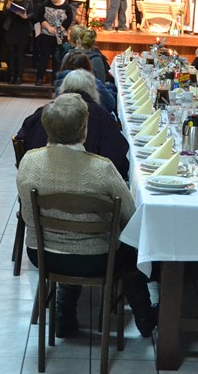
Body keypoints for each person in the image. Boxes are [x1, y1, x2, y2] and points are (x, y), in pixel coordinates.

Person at [16, 93, 156, 337]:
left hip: (42, 254)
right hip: (96, 258)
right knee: (130, 252)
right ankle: (145, 318)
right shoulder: (102, 168)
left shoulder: (30, 162)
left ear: (47, 127)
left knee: (72, 245)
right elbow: (130, 218)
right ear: (84, 130)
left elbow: (27, 216)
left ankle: (64, 314)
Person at [52, 51, 116, 115]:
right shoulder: (95, 82)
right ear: (88, 66)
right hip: (91, 117)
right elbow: (111, 104)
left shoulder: (59, 81)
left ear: (65, 65)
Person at [36, 0, 73, 86]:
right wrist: (49, 28)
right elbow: (40, 17)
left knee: (57, 59)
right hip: (46, 34)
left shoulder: (66, 6)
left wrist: (59, 29)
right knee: (44, 57)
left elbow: (69, 20)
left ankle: (55, 79)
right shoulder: (45, 4)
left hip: (60, 35)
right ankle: (40, 78)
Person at [3, 0, 33, 84]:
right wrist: (9, 2)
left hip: (22, 27)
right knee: (11, 53)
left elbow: (32, 12)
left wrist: (26, 16)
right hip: (11, 27)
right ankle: (11, 76)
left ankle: (19, 76)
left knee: (20, 53)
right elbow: (4, 13)